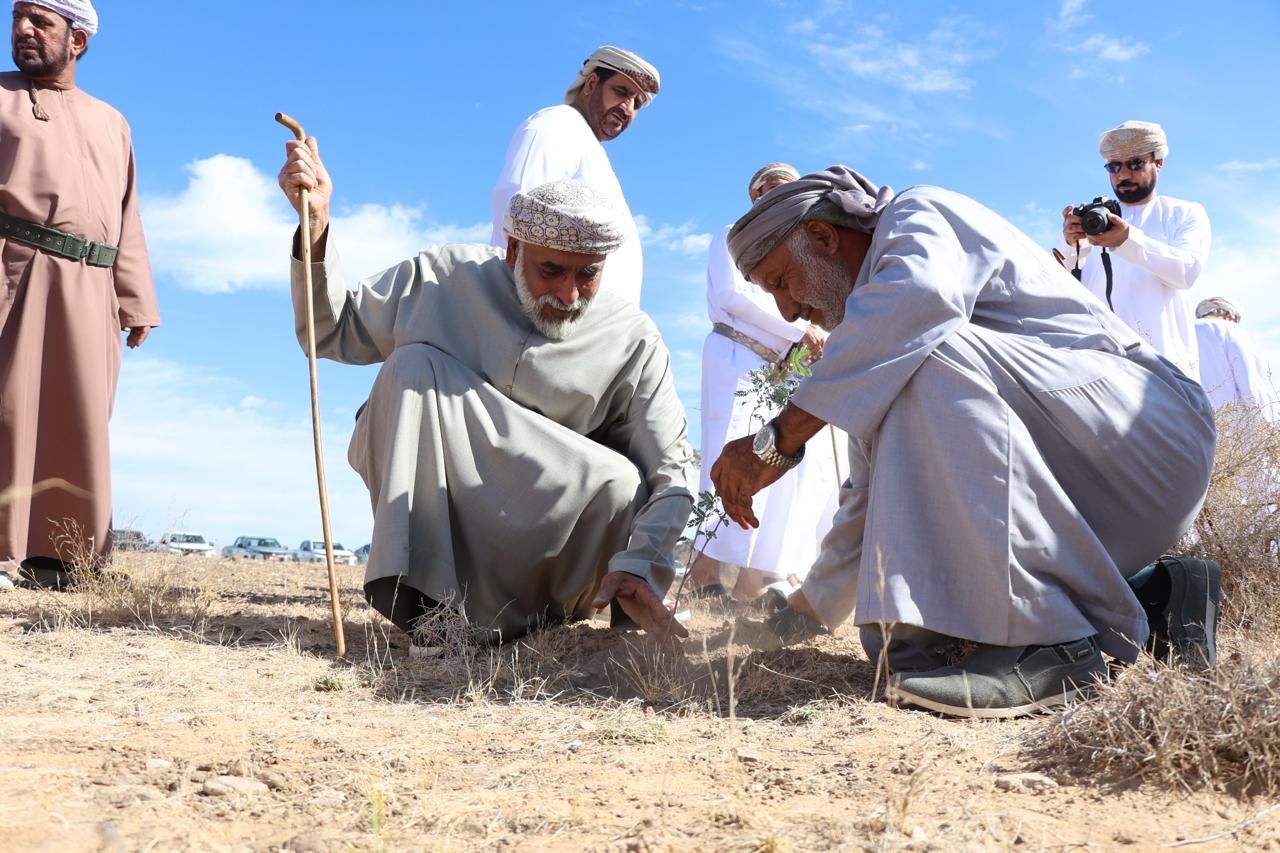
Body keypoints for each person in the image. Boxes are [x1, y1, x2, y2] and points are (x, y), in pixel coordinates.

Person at [707, 166, 1217, 718]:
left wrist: (776, 441)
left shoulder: (916, 216)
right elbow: (869, 488)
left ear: (824, 238)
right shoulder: (880, 346)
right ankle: (1156, 593)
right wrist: (805, 611)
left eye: (782, 281)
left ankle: (1053, 643)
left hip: (1154, 432)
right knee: (912, 640)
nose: (786, 310)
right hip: (1106, 493)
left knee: (927, 345)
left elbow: (917, 306)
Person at [278, 137, 694, 644]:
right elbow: (329, 330)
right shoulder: (442, 278)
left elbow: (672, 469)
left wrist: (642, 563)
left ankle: (559, 620)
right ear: (513, 250)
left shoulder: (633, 338)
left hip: (555, 556)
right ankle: (430, 615)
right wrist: (315, 227)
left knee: (625, 480)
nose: (568, 295)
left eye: (588, 275)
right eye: (551, 271)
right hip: (447, 521)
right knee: (411, 367)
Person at [0, 1, 158, 588]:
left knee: (82, 418)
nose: (22, 30)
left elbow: (128, 215)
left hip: (93, 289)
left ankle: (65, 559)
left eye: (40, 21)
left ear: (78, 41)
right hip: (15, 270)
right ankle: (3, 552)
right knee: (10, 409)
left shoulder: (113, 121)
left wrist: (136, 300)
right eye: (17, 18)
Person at [689, 162, 846, 604]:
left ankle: (753, 580)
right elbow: (732, 296)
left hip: (777, 368)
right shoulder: (730, 234)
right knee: (723, 451)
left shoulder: (798, 251)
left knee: (774, 461)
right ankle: (702, 575)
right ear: (755, 195)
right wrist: (802, 332)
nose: (781, 193)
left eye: (790, 189)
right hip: (734, 358)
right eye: (773, 187)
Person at [489, 46, 659, 306]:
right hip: (549, 319)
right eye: (621, 92)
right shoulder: (557, 125)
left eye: (636, 103)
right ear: (591, 84)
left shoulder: (586, 144)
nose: (628, 109)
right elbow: (518, 209)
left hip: (590, 328)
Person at [1057, 120, 1210, 378]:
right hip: (1097, 368)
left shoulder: (1184, 213)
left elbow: (1187, 271)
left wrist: (1126, 240)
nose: (1123, 175)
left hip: (1165, 368)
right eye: (1114, 166)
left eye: (1135, 164)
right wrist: (1071, 242)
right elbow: (1057, 281)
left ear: (1158, 161)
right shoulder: (1093, 221)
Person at [1195, 297, 1276, 415]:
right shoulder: (1229, 329)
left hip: (1194, 420)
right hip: (1233, 422)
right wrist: (1269, 423)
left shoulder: (1184, 333)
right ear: (1229, 315)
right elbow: (1249, 384)